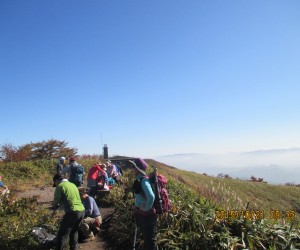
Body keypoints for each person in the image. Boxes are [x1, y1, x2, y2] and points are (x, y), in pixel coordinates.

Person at [52, 173, 85, 250]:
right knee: (74, 231)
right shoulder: (73, 185)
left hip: (72, 212)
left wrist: (54, 206)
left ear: (56, 180)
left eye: (55, 183)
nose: (55, 185)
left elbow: (56, 200)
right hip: (81, 211)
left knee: (62, 234)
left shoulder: (60, 186)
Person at [130, 158, 157, 250]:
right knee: (148, 240)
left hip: (146, 216)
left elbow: (151, 196)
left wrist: (145, 208)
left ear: (137, 168)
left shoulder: (143, 181)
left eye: (133, 166)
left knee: (150, 242)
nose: (131, 168)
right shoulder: (139, 179)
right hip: (142, 215)